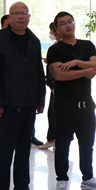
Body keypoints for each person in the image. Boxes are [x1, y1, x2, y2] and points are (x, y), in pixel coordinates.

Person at [0, 2, 46, 190]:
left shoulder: (34, 40)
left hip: (28, 103)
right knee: (5, 149)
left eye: (24, 13)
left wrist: (40, 99)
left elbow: (39, 72)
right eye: (16, 13)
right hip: (7, 104)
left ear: (29, 17)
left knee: (24, 149)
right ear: (9, 17)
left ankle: (22, 189)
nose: (20, 17)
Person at [47, 12, 96, 190]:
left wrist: (75, 63)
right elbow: (59, 75)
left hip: (86, 106)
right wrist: (85, 71)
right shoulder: (55, 50)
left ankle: (88, 179)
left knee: (87, 144)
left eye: (70, 21)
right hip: (63, 106)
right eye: (63, 23)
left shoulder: (87, 45)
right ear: (56, 29)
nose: (67, 25)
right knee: (62, 144)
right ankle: (62, 180)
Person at [39, 22, 61, 150]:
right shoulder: (54, 46)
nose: (51, 33)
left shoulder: (62, 47)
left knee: (56, 113)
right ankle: (52, 139)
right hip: (53, 85)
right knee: (51, 112)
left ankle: (57, 140)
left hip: (60, 86)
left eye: (51, 31)